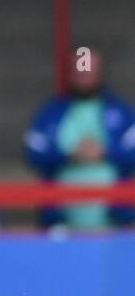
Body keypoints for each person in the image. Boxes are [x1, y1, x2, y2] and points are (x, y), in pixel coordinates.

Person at [24, 50, 135, 231]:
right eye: (80, 72)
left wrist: (104, 152)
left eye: (90, 71)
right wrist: (69, 155)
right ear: (70, 73)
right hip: (60, 222)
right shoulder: (51, 112)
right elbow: (33, 153)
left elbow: (131, 152)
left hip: (116, 221)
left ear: (100, 72)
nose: (85, 77)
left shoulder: (121, 110)